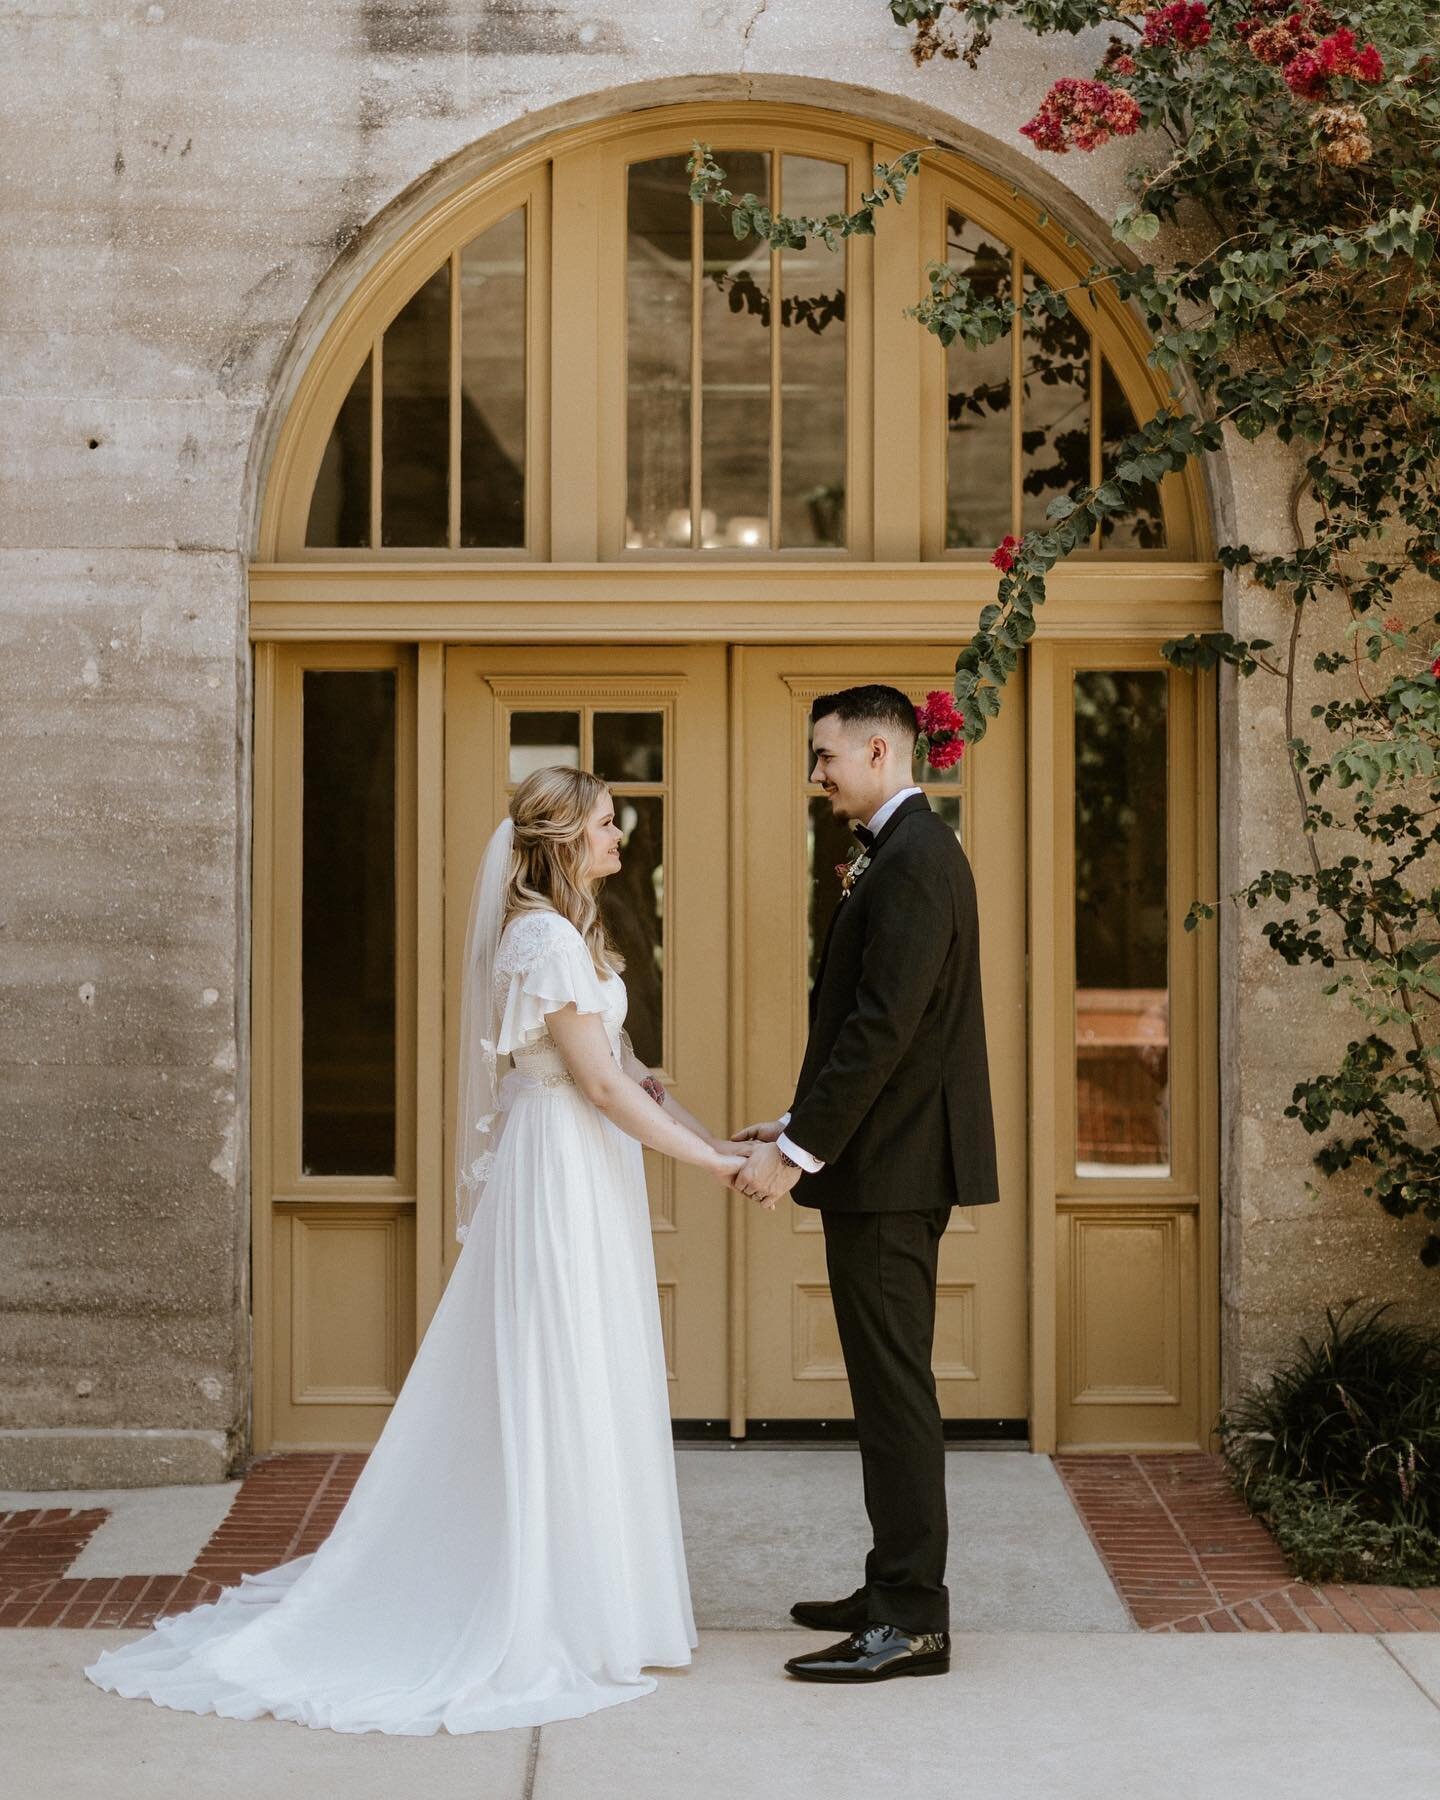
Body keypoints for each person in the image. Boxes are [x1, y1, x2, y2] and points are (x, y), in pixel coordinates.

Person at [84, 766, 745, 1734]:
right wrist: (716, 1172)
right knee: (555, 1369)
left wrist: (723, 1145)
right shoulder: (543, 939)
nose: (620, 839)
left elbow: (635, 1075)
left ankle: (601, 1597)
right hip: (560, 1172)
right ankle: (548, 1603)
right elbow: (600, 1090)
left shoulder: (580, 937)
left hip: (592, 1173)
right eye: (608, 825)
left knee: (592, 1367)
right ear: (564, 839)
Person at [732, 684, 1000, 1685]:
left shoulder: (918, 863)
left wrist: (795, 1156)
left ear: (880, 751)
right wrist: (798, 1124)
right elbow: (875, 1026)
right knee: (889, 1390)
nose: (817, 775)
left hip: (892, 1171)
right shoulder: (903, 857)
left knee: (896, 1395)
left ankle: (912, 1620)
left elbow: (883, 1029)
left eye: (826, 757)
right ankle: (891, 1582)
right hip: (879, 1161)